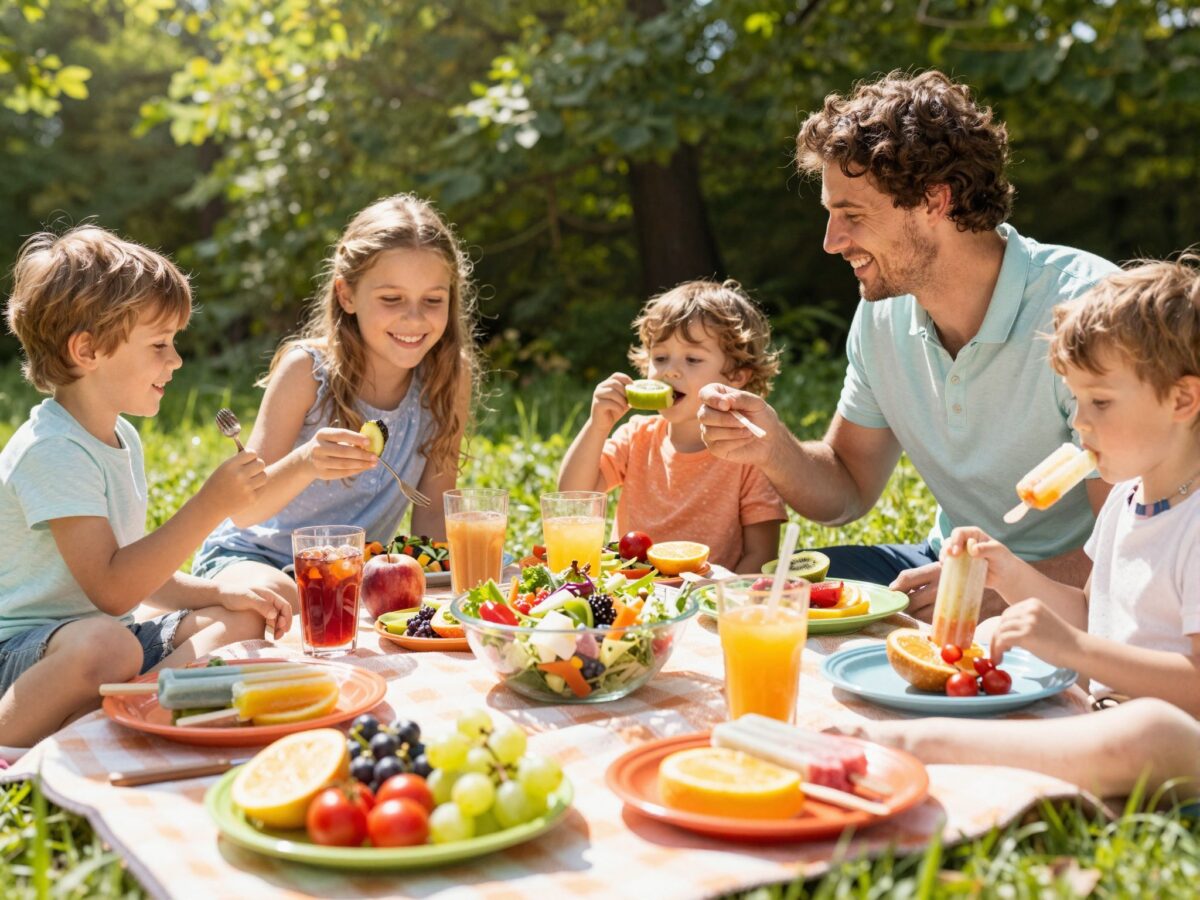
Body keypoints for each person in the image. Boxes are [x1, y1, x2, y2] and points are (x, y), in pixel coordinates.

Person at [699, 69, 1116, 618]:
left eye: (851, 215)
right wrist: (774, 448)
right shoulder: (883, 314)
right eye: (830, 215)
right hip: (940, 563)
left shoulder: (1089, 314)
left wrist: (994, 588)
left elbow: (1127, 553)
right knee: (761, 602)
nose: (831, 243)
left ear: (935, 201)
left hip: (1070, 592)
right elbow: (848, 485)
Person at [842, 254, 1200, 799]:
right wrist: (1007, 576)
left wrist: (1078, 651)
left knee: (1151, 731)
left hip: (1174, 736)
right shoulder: (1128, 501)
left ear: (1182, 399)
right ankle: (982, 751)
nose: (1079, 422)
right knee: (990, 639)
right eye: (1077, 400)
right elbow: (1092, 613)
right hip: (1101, 716)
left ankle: (923, 747)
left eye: (1100, 402)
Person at [0, 226, 286, 748]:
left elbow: (134, 569)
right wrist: (207, 505)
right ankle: (20, 734)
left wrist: (220, 589)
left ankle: (127, 710)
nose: (175, 360)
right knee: (109, 649)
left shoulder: (120, 435)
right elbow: (112, 590)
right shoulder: (52, 450)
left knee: (243, 615)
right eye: (159, 345)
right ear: (87, 350)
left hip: (111, 636)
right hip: (27, 655)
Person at [191, 194, 481, 606]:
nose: (414, 319)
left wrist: (439, 583)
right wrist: (306, 463)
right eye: (391, 299)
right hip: (252, 560)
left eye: (433, 300)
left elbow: (433, 511)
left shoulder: (448, 377)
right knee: (284, 600)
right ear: (347, 296)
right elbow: (244, 510)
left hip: (347, 578)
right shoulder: (306, 372)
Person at [558, 279, 786, 572]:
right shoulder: (636, 437)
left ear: (736, 376)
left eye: (692, 359)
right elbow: (571, 497)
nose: (670, 371)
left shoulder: (749, 454)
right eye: (660, 357)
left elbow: (761, 555)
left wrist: (719, 602)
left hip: (707, 600)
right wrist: (596, 426)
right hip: (636, 596)